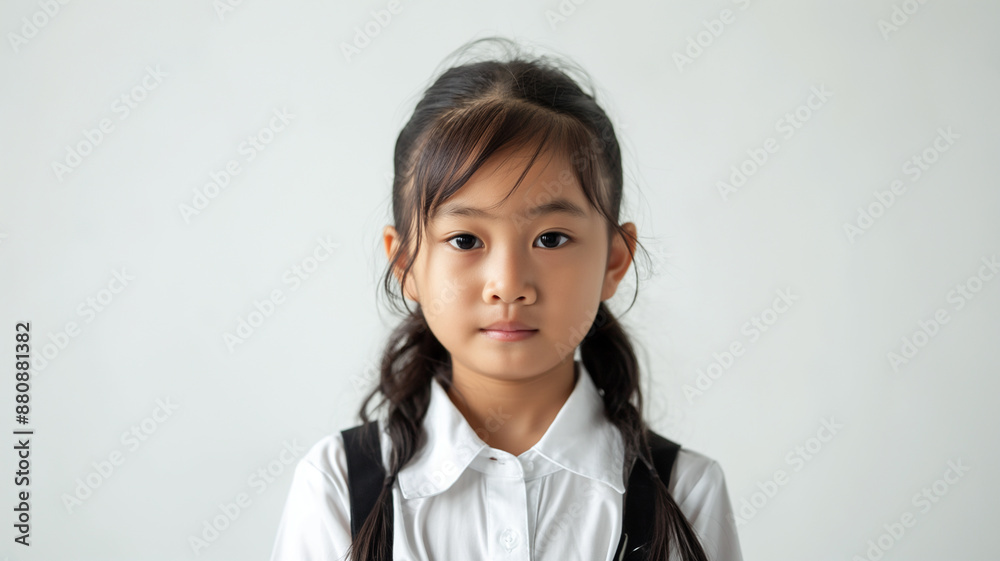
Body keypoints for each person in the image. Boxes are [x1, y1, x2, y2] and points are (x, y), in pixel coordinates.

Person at [269, 37, 743, 561]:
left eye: (552, 239)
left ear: (614, 260)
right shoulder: (338, 484)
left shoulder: (686, 493)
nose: (509, 283)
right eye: (466, 240)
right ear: (405, 263)